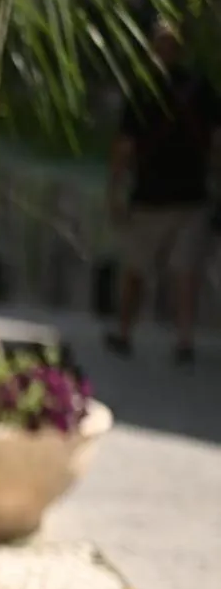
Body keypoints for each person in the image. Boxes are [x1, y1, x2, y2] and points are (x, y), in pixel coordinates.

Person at [107, 21, 221, 366]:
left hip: (171, 197)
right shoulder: (188, 88)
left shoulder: (161, 89)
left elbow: (125, 148)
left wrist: (114, 189)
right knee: (163, 270)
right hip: (171, 196)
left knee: (164, 270)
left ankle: (149, 336)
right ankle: (157, 337)